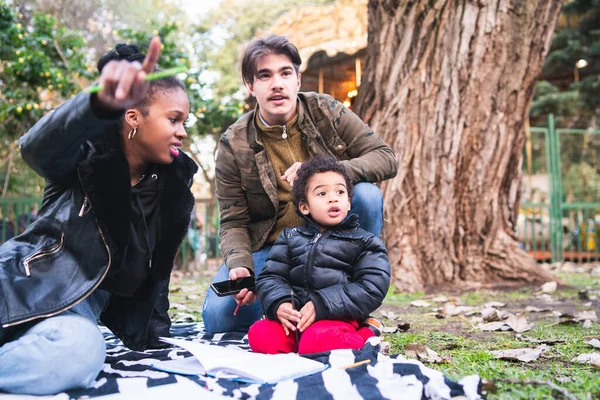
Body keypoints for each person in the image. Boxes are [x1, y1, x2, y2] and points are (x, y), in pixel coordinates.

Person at [0, 37, 197, 395]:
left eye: (185, 121)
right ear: (133, 117)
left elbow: (157, 270)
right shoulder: (83, 159)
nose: (183, 131)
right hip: (18, 285)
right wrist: (96, 104)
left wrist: (154, 334)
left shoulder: (171, 187)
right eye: (174, 119)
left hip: (73, 319)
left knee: (80, 352)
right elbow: (34, 148)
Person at [202, 34, 398, 333]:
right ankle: (288, 306)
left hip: (336, 246)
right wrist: (241, 265)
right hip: (275, 250)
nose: (276, 84)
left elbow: (385, 158)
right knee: (218, 318)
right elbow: (233, 220)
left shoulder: (326, 111)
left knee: (367, 195)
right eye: (264, 76)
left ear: (297, 79)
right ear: (251, 86)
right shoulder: (234, 143)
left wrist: (326, 171)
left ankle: (352, 307)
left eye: (285, 73)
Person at [248, 157, 390, 354]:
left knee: (317, 341)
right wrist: (280, 302)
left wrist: (322, 304)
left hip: (337, 315)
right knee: (261, 334)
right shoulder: (290, 237)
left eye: (340, 192)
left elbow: (372, 287)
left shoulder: (365, 242)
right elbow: (271, 276)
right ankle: (300, 344)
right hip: (297, 318)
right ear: (304, 207)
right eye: (322, 193)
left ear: (348, 203)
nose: (333, 198)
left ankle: (368, 334)